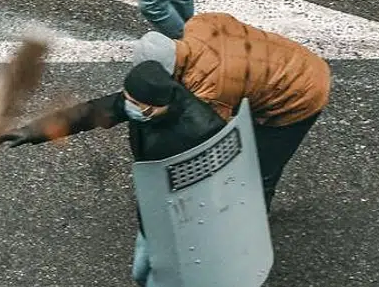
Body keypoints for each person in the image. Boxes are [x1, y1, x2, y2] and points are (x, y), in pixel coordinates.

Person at [3, 62, 242, 287]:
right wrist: (34, 131)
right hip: (156, 216)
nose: (128, 107)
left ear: (161, 104)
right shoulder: (145, 101)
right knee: (145, 277)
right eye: (128, 99)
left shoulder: (200, 129)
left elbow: (221, 186)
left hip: (188, 226)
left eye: (137, 105)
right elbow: (93, 112)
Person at [121, 14, 330, 204]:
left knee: (258, 166)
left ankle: (253, 219)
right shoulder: (198, 24)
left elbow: (213, 141)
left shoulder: (211, 87)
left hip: (301, 91)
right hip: (292, 59)